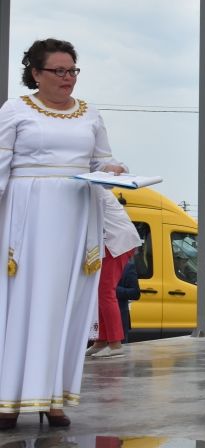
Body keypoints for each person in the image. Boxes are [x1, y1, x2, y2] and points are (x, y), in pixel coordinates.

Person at [0, 38, 126, 430]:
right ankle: (9, 400)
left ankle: (54, 397)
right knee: (23, 303)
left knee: (65, 304)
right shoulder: (16, 109)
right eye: (59, 71)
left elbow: (102, 159)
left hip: (76, 217)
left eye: (72, 70)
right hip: (28, 218)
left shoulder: (89, 113)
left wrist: (115, 169)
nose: (67, 78)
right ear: (35, 73)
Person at [86, 187, 142, 358]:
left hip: (116, 241)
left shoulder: (91, 188)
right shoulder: (93, 186)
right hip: (113, 241)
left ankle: (115, 343)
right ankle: (102, 339)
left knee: (105, 291)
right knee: (100, 292)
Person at [116, 256, 141, 344]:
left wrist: (114, 290)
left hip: (120, 319)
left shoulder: (127, 267)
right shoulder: (98, 265)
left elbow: (135, 293)